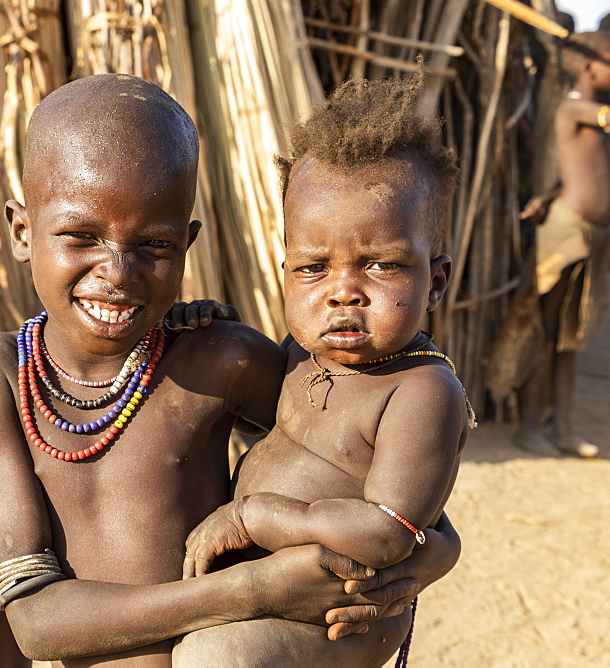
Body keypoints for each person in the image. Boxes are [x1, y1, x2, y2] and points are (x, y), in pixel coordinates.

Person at [0, 73, 461, 666]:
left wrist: (434, 548)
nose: (117, 271)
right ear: (21, 230)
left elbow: (362, 459)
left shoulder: (222, 358)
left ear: (187, 244)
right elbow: (36, 623)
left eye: (155, 245)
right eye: (80, 235)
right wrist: (252, 590)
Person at [174, 73, 475, 667]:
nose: (344, 292)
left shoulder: (421, 392)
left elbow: (390, 531)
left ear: (434, 280)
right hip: (272, 594)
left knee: (215, 659)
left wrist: (257, 515)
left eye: (380, 266)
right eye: (313, 269)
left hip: (339, 615)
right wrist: (204, 322)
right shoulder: (299, 353)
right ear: (284, 268)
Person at [510, 32, 610, 459]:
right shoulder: (575, 108)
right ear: (589, 68)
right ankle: (530, 428)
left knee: (570, 338)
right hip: (567, 235)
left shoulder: (593, 118)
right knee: (546, 330)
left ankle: (564, 428)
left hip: (592, 236)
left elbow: (578, 173)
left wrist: (547, 195)